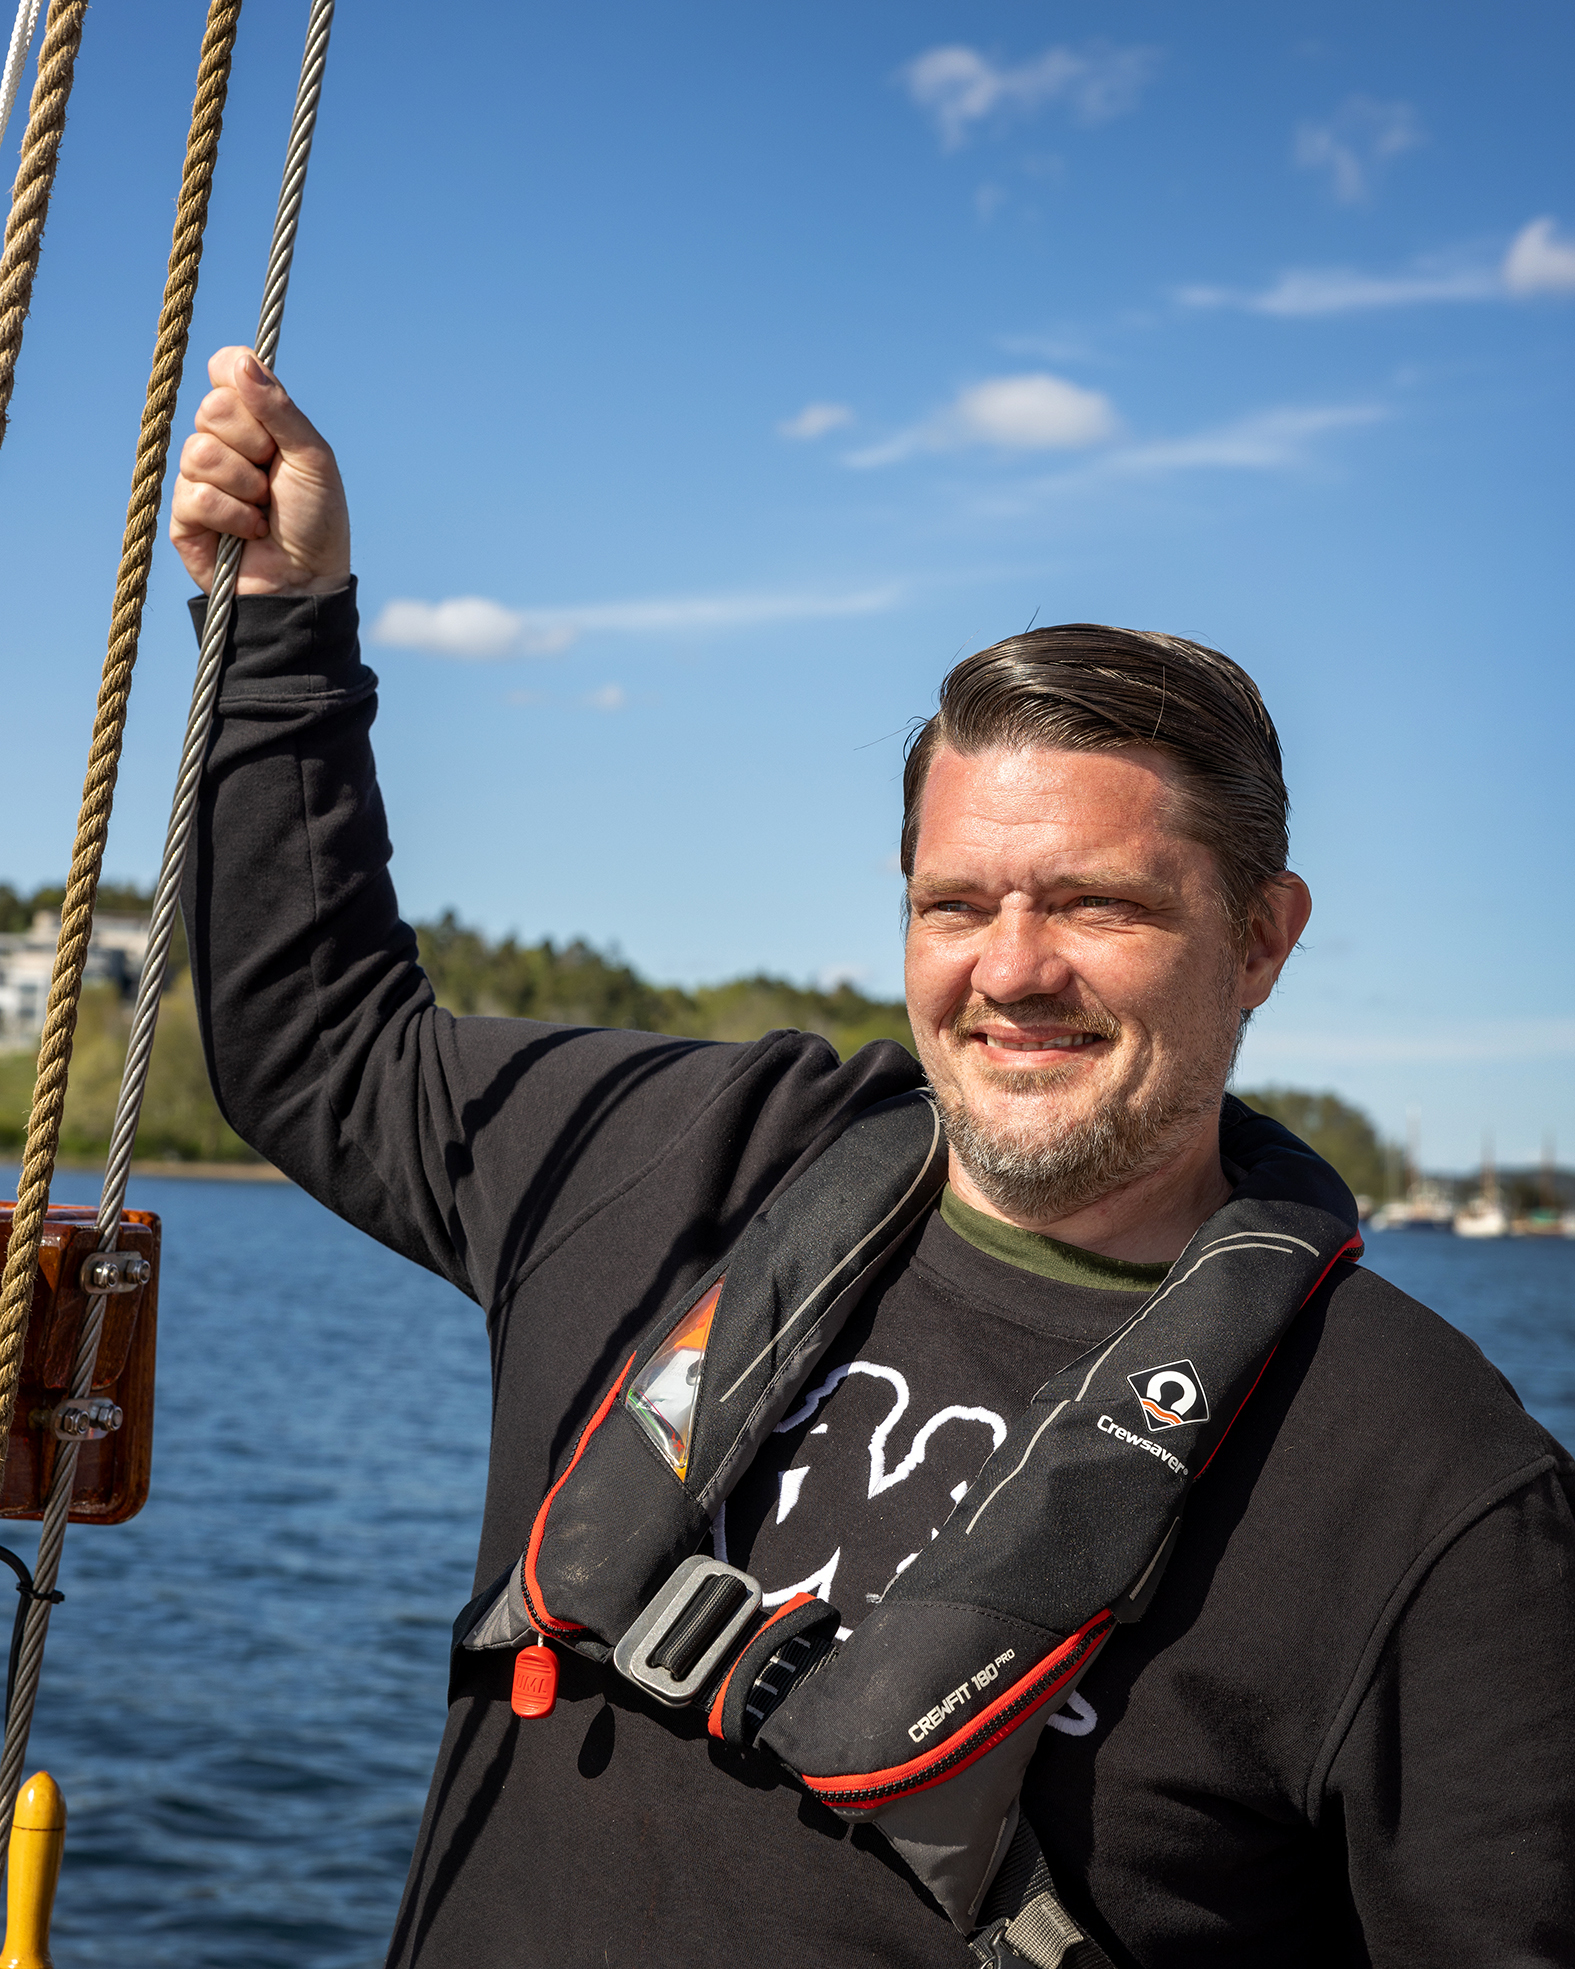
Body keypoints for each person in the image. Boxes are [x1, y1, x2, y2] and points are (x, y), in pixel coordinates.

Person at [169, 346, 1575, 1969]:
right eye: (957, 904)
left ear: (1262, 938)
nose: (1014, 966)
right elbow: (323, 1041)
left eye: (1098, 904)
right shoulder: (684, 1156)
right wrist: (279, 625)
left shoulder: (1435, 1490)